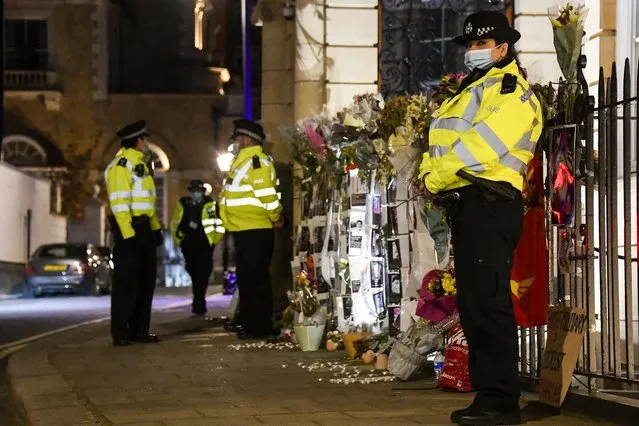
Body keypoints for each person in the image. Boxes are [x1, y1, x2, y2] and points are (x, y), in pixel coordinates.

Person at [418, 12, 543, 426]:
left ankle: (502, 402)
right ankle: (488, 395)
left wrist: (434, 176)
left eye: (479, 44)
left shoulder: (511, 91)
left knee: (488, 306)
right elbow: (441, 141)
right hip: (470, 205)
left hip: (490, 203)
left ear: (502, 48)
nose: (472, 52)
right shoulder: (470, 90)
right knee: (473, 306)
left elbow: (480, 146)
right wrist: (426, 172)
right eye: (468, 45)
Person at [219, 119, 284, 339]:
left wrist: (277, 217)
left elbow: (267, 196)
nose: (235, 143)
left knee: (255, 280)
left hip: (256, 230)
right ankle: (249, 322)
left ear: (246, 139)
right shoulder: (243, 161)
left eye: (237, 139)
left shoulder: (257, 162)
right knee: (247, 279)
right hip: (244, 230)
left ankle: (258, 326)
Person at [105, 120, 164, 346]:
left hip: (145, 229)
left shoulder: (143, 165)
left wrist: (156, 229)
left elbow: (148, 203)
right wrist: (128, 234)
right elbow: (120, 203)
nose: (147, 143)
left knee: (145, 283)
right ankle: (120, 333)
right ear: (138, 140)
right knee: (126, 285)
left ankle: (140, 331)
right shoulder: (121, 165)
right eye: (145, 139)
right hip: (129, 231)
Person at [170, 180, 225, 315]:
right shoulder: (183, 204)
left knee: (203, 273)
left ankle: (199, 300)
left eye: (198, 191)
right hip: (188, 244)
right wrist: (179, 240)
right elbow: (175, 222)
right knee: (193, 271)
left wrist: (213, 241)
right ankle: (198, 299)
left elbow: (219, 224)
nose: (195, 194)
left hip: (204, 244)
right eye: (193, 191)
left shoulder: (210, 205)